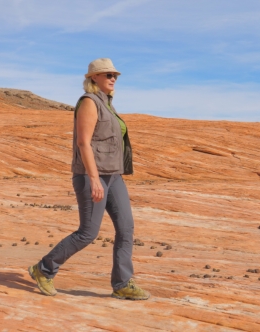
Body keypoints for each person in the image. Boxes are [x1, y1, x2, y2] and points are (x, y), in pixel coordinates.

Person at [28, 58, 150, 300]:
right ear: (93, 77)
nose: (113, 78)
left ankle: (122, 283)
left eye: (115, 74)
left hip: (113, 176)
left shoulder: (108, 104)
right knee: (88, 232)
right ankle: (43, 270)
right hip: (90, 175)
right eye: (107, 74)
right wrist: (94, 179)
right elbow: (83, 142)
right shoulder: (89, 102)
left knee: (126, 228)